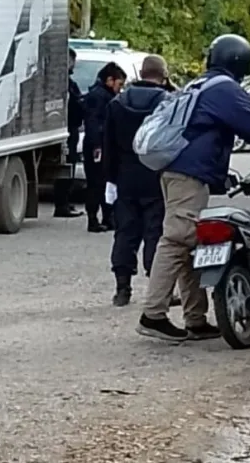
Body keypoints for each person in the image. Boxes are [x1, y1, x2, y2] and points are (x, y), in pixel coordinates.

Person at [137, 34, 250, 343]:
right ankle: (153, 314)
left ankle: (196, 319)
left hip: (178, 170)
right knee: (177, 239)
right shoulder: (225, 90)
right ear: (239, 62)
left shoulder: (199, 84)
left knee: (193, 241)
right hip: (188, 174)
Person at [103, 54, 171, 306]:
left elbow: (107, 145)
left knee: (125, 232)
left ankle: (122, 288)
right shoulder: (167, 103)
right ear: (163, 76)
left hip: (125, 176)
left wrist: (110, 180)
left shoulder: (117, 103)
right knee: (156, 232)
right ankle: (158, 289)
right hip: (156, 174)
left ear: (140, 74)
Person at [82, 62, 127, 232]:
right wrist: (97, 145)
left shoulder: (104, 96)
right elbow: (94, 123)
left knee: (106, 182)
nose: (120, 89)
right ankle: (93, 219)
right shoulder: (98, 97)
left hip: (104, 145)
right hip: (98, 146)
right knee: (96, 183)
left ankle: (108, 217)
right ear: (110, 80)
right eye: (119, 84)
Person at [54, 48, 84, 218]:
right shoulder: (64, 84)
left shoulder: (68, 83)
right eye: (72, 60)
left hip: (70, 129)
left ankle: (65, 202)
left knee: (70, 167)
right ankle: (62, 204)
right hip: (67, 130)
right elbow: (74, 106)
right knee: (66, 167)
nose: (73, 64)